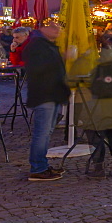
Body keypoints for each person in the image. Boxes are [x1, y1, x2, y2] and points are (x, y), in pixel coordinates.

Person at [22, 22, 71, 181]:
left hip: (52, 93)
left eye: (59, 28)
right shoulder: (37, 45)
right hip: (44, 94)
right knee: (41, 133)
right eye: (53, 27)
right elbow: (38, 68)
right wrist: (60, 59)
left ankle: (41, 164)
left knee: (47, 132)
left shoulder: (47, 44)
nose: (57, 31)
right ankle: (37, 167)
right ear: (43, 28)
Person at [82, 35, 112, 177]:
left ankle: (98, 167)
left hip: (97, 104)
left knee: (95, 132)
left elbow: (87, 79)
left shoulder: (93, 60)